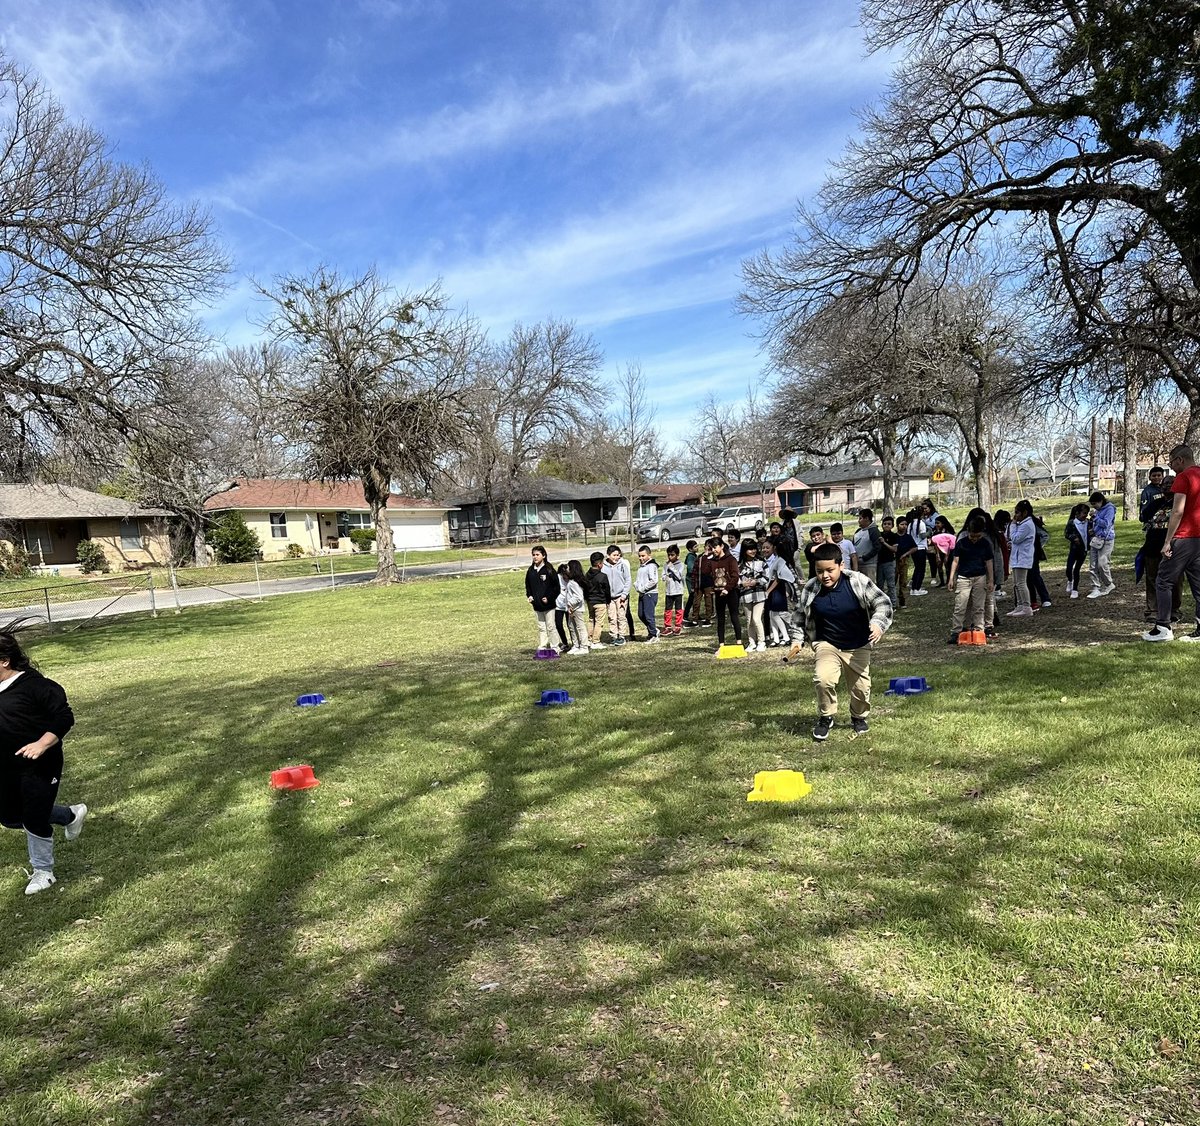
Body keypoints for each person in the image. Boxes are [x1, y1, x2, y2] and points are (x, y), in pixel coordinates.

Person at [0, 626, 84, 895]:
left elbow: (64, 717)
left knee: (34, 816)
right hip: (6, 766)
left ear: (4, 661)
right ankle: (69, 815)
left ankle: (44, 872)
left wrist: (42, 744)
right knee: (10, 818)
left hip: (41, 765)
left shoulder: (36, 686)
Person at [787, 543, 893, 742]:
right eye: (819, 571)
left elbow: (883, 603)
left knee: (861, 688)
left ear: (841, 565)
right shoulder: (811, 587)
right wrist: (797, 640)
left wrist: (878, 624)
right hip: (827, 643)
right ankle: (826, 716)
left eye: (830, 570)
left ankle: (858, 716)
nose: (824, 576)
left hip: (858, 643)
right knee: (823, 679)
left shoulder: (857, 581)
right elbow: (799, 616)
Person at [1144, 444, 1200, 642]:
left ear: (1180, 460)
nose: (1171, 467)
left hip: (1183, 537)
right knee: (1198, 584)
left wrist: (1168, 541)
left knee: (1163, 580)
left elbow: (1177, 511)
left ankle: (1163, 627)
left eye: (1171, 462)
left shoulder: (1184, 477)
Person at [1138, 468, 1181, 623]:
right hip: (1152, 545)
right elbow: (1144, 517)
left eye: (1171, 483)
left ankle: (1174, 610)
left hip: (1174, 546)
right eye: (1165, 484)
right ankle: (1153, 610)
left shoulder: (1181, 504)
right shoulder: (1155, 503)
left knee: (1175, 579)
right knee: (1152, 578)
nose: (1167, 486)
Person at [946, 516, 994, 644]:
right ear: (968, 531)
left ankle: (979, 630)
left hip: (980, 577)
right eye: (972, 536)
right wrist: (951, 578)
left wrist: (991, 580)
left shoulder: (985, 543)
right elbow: (955, 561)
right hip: (964, 577)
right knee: (960, 605)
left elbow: (989, 562)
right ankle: (956, 631)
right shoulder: (961, 543)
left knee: (979, 606)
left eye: (978, 536)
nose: (975, 539)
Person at [708, 537, 742, 652]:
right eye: (711, 548)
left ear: (722, 546)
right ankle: (721, 644)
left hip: (731, 592)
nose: (713, 550)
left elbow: (735, 576)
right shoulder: (712, 561)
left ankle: (739, 642)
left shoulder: (731, 559)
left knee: (734, 617)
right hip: (718, 593)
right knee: (720, 619)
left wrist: (727, 588)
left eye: (715, 547)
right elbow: (706, 573)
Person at [762, 536, 795, 646]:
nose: (765, 550)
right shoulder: (773, 560)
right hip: (771, 589)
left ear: (774, 548)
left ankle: (786, 636)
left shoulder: (780, 560)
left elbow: (778, 578)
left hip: (777, 589)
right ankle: (776, 638)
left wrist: (768, 591)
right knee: (772, 614)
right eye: (763, 547)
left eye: (768, 547)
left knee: (776, 614)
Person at [1006, 500, 1037, 617]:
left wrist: (1013, 525)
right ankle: (1019, 605)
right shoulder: (1022, 524)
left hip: (1023, 558)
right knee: (1016, 583)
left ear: (1025, 513)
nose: (1015, 515)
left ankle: (1026, 606)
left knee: (1021, 583)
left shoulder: (1027, 525)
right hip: (1017, 557)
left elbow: (1016, 538)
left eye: (1017, 512)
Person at [525, 545, 559, 650]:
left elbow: (556, 587)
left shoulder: (549, 570)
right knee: (541, 627)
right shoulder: (531, 571)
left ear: (543, 555)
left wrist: (549, 598)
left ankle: (555, 646)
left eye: (537, 554)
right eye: (533, 555)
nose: (535, 557)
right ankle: (543, 645)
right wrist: (530, 596)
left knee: (551, 626)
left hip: (549, 605)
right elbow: (528, 586)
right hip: (537, 605)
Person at [738, 538, 769, 651]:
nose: (753, 551)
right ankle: (751, 642)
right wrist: (742, 584)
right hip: (746, 595)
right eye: (750, 549)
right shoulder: (739, 565)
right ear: (744, 551)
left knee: (756, 618)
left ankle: (762, 642)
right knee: (749, 620)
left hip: (759, 594)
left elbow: (767, 578)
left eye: (754, 548)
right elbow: (736, 580)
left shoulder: (761, 562)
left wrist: (757, 582)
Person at [1087, 491, 1117, 598]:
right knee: (1093, 564)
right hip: (1096, 539)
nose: (1094, 506)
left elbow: (1106, 524)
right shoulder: (1098, 510)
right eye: (1092, 504)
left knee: (1102, 563)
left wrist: (1095, 517)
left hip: (1107, 540)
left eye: (1095, 504)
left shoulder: (1109, 509)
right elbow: (1097, 524)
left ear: (1100, 501)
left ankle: (1108, 584)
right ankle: (1095, 587)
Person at [556, 562, 589, 655]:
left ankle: (584, 646)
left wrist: (570, 603)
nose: (566, 570)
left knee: (580, 627)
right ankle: (576, 645)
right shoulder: (571, 582)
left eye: (568, 568)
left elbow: (578, 596)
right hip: (571, 609)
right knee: (572, 627)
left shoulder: (574, 583)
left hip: (576, 609)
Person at [602, 545, 632, 646]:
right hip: (609, 598)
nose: (616, 557)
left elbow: (628, 580)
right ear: (608, 555)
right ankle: (614, 636)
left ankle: (622, 636)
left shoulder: (622, 565)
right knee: (612, 617)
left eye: (618, 555)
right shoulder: (603, 567)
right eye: (614, 555)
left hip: (621, 597)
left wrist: (624, 594)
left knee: (621, 616)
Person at [583, 552, 611, 647]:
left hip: (590, 601)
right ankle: (596, 641)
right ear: (599, 564)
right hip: (600, 601)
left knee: (591, 619)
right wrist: (608, 601)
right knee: (599, 622)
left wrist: (587, 599)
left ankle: (589, 639)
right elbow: (607, 590)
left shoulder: (587, 575)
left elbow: (585, 589)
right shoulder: (602, 576)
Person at [1064, 503, 1090, 601]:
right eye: (1084, 513)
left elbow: (1091, 531)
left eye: (1086, 513)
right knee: (1069, 568)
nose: (1085, 515)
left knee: (1077, 569)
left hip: (1083, 550)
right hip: (1074, 549)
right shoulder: (1072, 523)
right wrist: (1073, 538)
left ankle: (1075, 589)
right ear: (1077, 513)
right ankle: (1070, 580)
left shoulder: (1088, 522)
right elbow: (1067, 534)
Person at [634, 545, 660, 642]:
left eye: (643, 556)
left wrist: (643, 588)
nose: (641, 558)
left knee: (649, 615)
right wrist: (636, 586)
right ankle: (653, 629)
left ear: (649, 555)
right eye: (639, 556)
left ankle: (653, 635)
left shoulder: (652, 566)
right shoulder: (641, 567)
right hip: (642, 594)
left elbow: (654, 581)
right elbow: (638, 580)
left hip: (650, 594)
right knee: (641, 615)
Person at [893, 516, 917, 608]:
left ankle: (902, 601)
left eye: (906, 524)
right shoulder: (894, 537)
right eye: (902, 524)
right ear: (897, 525)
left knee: (903, 581)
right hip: (894, 561)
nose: (904, 526)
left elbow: (915, 548)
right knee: (893, 581)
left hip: (904, 560)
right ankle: (892, 600)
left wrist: (906, 554)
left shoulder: (908, 537)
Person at [852, 509, 882, 582]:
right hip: (857, 564)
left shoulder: (874, 531)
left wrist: (865, 558)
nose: (858, 521)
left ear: (867, 518)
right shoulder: (858, 531)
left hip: (869, 565)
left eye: (860, 518)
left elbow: (877, 547)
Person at [877, 514, 899, 609]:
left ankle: (893, 604)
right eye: (885, 524)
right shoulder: (879, 535)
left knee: (891, 584)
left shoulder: (893, 536)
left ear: (892, 526)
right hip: (879, 562)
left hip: (889, 562)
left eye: (889, 524)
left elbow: (894, 549)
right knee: (880, 584)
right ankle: (882, 604)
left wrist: (884, 543)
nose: (886, 525)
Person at [908, 506, 931, 595]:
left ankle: (914, 588)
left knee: (917, 568)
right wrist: (929, 532)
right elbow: (922, 535)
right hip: (920, 548)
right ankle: (917, 589)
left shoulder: (910, 524)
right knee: (921, 569)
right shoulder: (921, 523)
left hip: (913, 548)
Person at [663, 544, 685, 635]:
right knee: (668, 609)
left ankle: (678, 626)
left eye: (672, 555)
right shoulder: (666, 565)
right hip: (669, 591)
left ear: (677, 555)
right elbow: (664, 575)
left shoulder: (681, 565)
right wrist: (665, 576)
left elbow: (679, 576)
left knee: (678, 609)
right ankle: (667, 626)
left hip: (678, 590)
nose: (670, 557)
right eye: (668, 555)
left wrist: (671, 567)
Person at [682, 540, 699, 628]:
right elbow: (690, 568)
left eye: (697, 546)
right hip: (691, 580)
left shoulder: (694, 555)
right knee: (692, 596)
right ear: (690, 549)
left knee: (695, 597)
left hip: (694, 579)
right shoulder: (690, 557)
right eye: (695, 547)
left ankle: (695, 613)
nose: (697, 548)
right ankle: (686, 614)